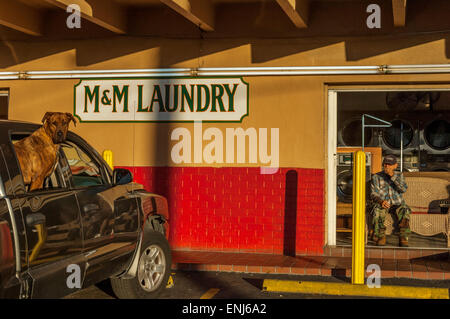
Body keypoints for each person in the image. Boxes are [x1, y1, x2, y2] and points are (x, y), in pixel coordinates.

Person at [369, 154, 411, 247]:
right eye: (385, 164)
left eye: (390, 164)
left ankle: (403, 237)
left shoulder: (400, 175)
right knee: (377, 210)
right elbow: (373, 194)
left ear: (395, 165)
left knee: (405, 210)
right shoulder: (376, 177)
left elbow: (403, 189)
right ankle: (381, 236)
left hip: (397, 203)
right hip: (383, 203)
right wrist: (381, 201)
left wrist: (392, 176)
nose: (387, 166)